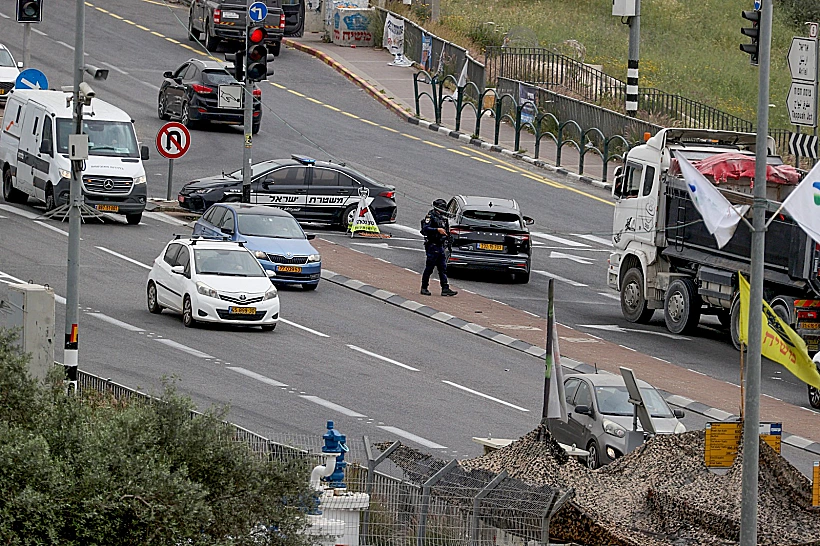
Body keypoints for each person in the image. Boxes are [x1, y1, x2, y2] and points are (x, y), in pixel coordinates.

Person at [420, 199, 458, 297]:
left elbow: (447, 231)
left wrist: (449, 241)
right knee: (430, 268)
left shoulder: (443, 218)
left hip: (440, 246)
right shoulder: (430, 216)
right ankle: (424, 287)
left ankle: (445, 288)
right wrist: (437, 230)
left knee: (443, 268)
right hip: (432, 245)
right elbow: (425, 229)